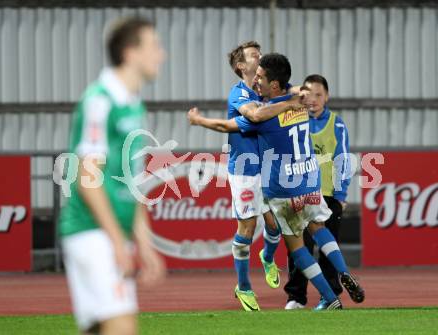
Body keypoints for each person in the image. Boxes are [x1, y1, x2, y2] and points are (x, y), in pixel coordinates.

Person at [188, 53, 364, 310]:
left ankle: (329, 297)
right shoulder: (300, 105)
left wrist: (199, 120)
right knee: (319, 228)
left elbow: (227, 126)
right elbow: (294, 94)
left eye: (261, 77)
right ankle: (344, 270)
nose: (256, 81)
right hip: (310, 180)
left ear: (273, 84)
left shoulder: (265, 115)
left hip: (284, 188)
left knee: (298, 248)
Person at [59, 17, 166, 335]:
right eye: (154, 46)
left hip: (109, 237)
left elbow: (129, 184)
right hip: (91, 234)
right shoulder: (100, 100)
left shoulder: (133, 105)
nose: (162, 54)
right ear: (130, 53)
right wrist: (118, 242)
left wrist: (143, 244)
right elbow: (87, 177)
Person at [284, 74, 360, 310]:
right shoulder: (294, 120)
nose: (314, 100)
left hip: (327, 196)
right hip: (299, 193)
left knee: (328, 249)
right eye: (310, 95)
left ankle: (330, 296)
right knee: (299, 248)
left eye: (319, 94)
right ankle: (296, 297)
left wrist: (341, 195)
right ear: (301, 96)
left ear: (327, 97)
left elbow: (343, 160)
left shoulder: (336, 124)